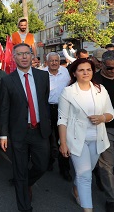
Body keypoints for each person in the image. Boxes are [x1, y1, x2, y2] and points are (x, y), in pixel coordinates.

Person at [58, 58, 114, 212]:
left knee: (86, 171)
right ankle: (88, 209)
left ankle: (75, 186)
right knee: (85, 176)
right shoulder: (68, 92)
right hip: (77, 140)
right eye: (81, 70)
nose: (85, 73)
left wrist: (103, 118)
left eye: (89, 69)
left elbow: (111, 112)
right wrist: (63, 143)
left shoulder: (100, 89)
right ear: (74, 73)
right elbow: (62, 119)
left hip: (98, 139)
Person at [0, 43, 51, 212]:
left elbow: (44, 102)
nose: (23, 57)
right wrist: (3, 135)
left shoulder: (43, 77)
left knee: (42, 165)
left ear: (32, 56)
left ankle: (26, 183)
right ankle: (24, 207)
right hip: (18, 133)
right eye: (19, 54)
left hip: (39, 131)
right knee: (20, 171)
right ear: (14, 58)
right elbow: (5, 109)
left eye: (27, 53)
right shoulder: (7, 80)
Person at [43, 52, 71, 181]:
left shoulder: (65, 72)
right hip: (47, 108)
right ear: (47, 62)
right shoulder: (42, 74)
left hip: (63, 109)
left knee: (63, 139)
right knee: (47, 137)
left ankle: (64, 168)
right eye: (52, 61)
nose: (54, 63)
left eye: (56, 61)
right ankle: (48, 162)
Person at [94, 50, 114, 211]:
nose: (113, 71)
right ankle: (111, 198)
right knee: (106, 165)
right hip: (104, 129)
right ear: (101, 65)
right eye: (110, 68)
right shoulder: (94, 81)